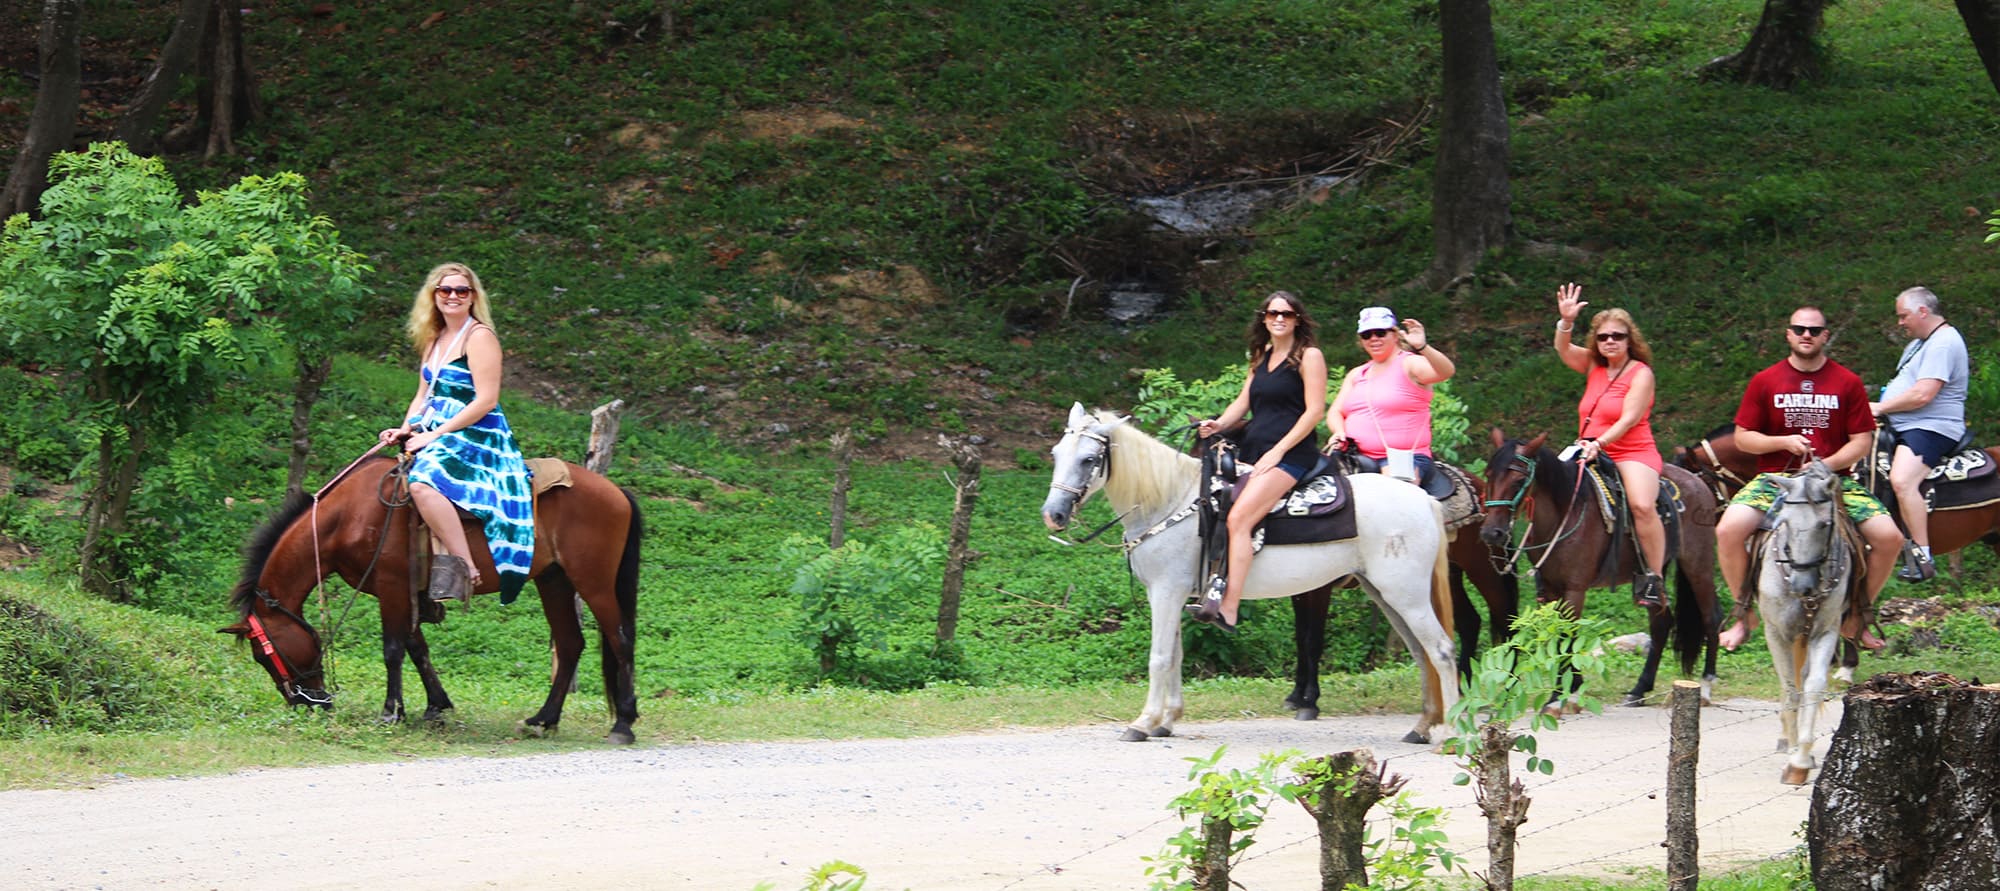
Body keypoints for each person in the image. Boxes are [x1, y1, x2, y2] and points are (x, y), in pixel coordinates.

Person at [1714, 308, 1899, 652]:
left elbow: (1862, 441)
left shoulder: (1848, 382)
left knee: (1890, 538)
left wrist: (1824, 466)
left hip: (1833, 481)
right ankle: (1743, 614)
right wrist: (1781, 442)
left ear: (1825, 336)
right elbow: (1743, 438)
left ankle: (1856, 616)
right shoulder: (1765, 380)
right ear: (1788, 334)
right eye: (1799, 329)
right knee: (1727, 530)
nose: (1807, 335)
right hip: (1775, 479)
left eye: (1814, 330)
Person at [378, 263, 535, 603]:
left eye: (461, 291)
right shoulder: (434, 338)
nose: (453, 296)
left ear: (472, 297)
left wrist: (434, 436)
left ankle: (463, 564)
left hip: (478, 431)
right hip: (437, 426)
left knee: (422, 483)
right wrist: (404, 430)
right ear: (433, 296)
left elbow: (487, 400)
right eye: (445, 290)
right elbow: (423, 394)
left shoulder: (479, 338)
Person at [1190, 290, 1329, 632]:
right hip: (1253, 449)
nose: (1279, 319)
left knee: (1238, 519)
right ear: (1263, 319)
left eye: (1287, 313)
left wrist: (1279, 450)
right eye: (1272, 313)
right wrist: (1218, 424)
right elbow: (1243, 402)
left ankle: (1229, 608)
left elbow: (1314, 412)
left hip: (1291, 454)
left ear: (1298, 319)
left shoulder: (1309, 356)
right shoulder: (1262, 355)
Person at [1553, 283, 1667, 608]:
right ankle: (1548, 561)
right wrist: (1566, 321)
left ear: (1630, 339)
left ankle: (1654, 579)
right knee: (1548, 490)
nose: (1610, 342)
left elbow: (1629, 418)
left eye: (1617, 336)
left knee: (1642, 506)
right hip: (1588, 448)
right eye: (1603, 337)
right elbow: (1563, 349)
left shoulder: (1641, 373)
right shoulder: (1594, 366)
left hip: (1631, 451)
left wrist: (1598, 443)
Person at [1867, 286, 1968, 582]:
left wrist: (1880, 408)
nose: (1900, 323)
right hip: (1903, 423)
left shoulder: (1943, 343)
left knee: (1901, 479)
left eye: (1903, 316)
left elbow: (1923, 395)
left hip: (1932, 425)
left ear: (1923, 311)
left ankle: (1922, 555)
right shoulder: (1919, 344)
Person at [1327, 306, 1456, 487]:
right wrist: (1339, 431)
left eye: (1380, 333)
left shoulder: (1409, 362)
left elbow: (1445, 371)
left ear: (1395, 335)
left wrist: (1423, 347)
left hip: (1402, 458)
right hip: (1355, 457)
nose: (1374, 339)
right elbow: (1336, 411)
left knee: (1393, 497)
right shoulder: (1357, 373)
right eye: (1367, 335)